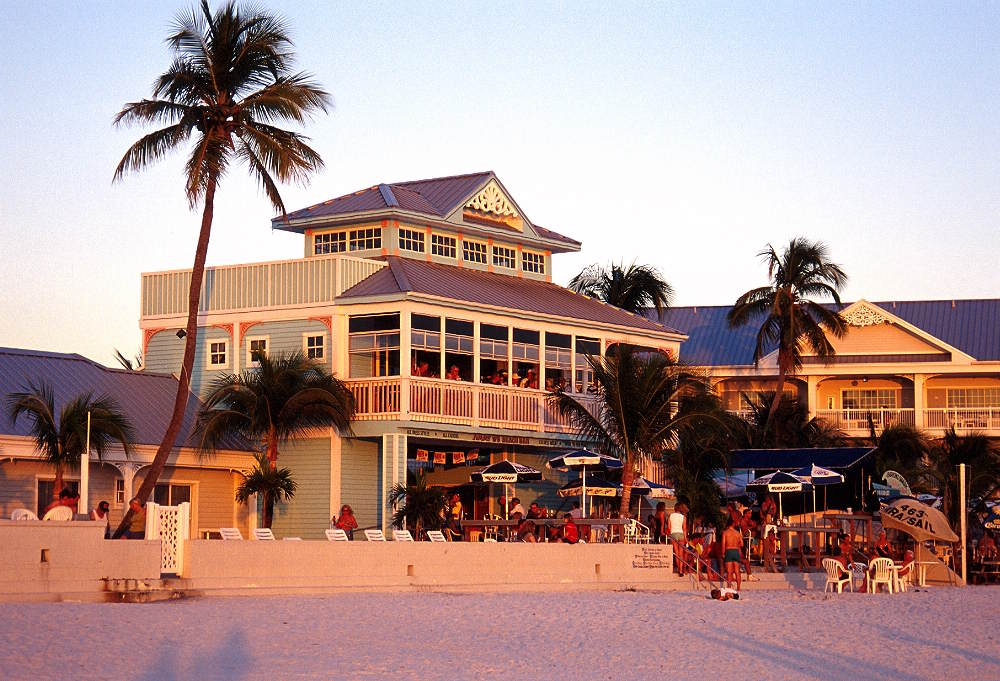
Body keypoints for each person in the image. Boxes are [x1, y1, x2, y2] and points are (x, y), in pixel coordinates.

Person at [722, 517, 743, 591]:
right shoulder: (737, 533)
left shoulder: (725, 532)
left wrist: (723, 553)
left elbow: (723, 544)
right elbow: (742, 544)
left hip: (728, 550)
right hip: (736, 551)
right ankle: (738, 587)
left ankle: (729, 587)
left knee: (729, 571)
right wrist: (737, 545)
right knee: (737, 571)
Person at [668, 503, 688, 576]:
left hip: (673, 534)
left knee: (676, 554)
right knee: (681, 554)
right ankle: (681, 570)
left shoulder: (671, 516)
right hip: (681, 534)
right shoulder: (683, 517)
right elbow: (684, 529)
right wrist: (686, 538)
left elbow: (669, 527)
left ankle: (679, 569)